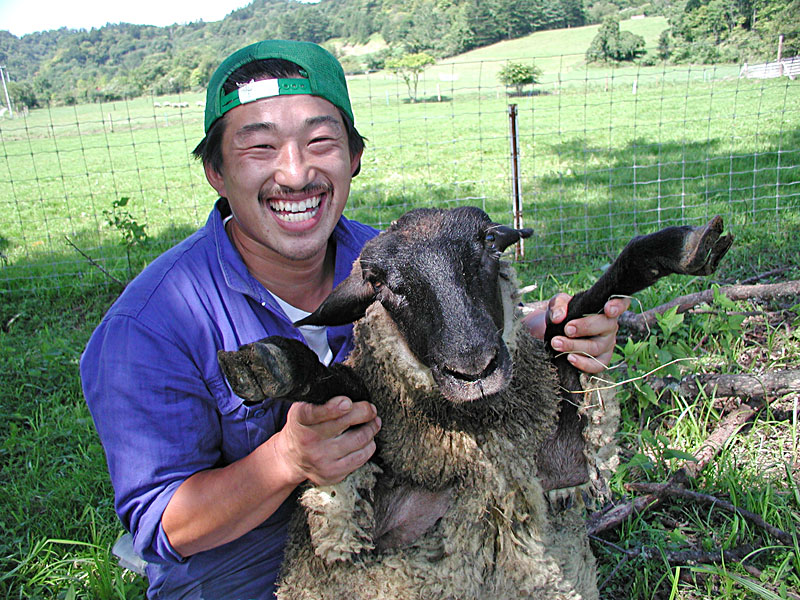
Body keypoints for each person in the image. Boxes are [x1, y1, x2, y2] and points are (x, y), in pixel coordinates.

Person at [81, 40, 630, 599]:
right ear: (216, 172)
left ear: (355, 157)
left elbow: (456, 330)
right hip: (245, 579)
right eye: (260, 148)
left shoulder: (390, 262)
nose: (295, 174)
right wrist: (286, 460)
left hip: (419, 551)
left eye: (320, 141)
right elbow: (163, 525)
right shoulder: (150, 327)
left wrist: (538, 334)